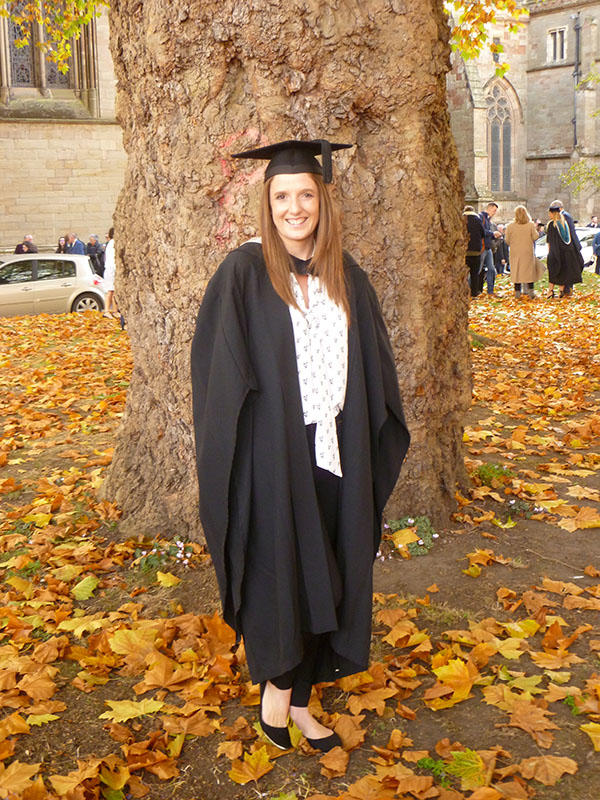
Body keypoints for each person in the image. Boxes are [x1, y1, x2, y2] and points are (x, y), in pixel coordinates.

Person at [191, 139, 410, 754]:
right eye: (282, 196)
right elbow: (217, 372)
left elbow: (373, 370)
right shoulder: (243, 272)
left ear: (322, 200)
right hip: (274, 458)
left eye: (306, 195)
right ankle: (276, 698)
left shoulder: (348, 277)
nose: (295, 207)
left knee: (335, 573)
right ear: (267, 202)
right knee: (283, 574)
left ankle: (302, 700)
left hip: (339, 452)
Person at [546, 201, 584, 298]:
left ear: (552, 213)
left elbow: (549, 241)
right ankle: (561, 291)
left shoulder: (551, 225)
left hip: (555, 252)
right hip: (566, 252)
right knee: (563, 270)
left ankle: (550, 291)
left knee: (553, 271)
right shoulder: (564, 223)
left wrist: (549, 253)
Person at [504, 205, 539, 298]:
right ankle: (531, 291)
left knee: (516, 271)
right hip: (527, 251)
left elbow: (507, 240)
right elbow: (535, 237)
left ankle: (517, 292)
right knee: (528, 271)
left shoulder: (510, 226)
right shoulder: (530, 225)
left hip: (515, 252)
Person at [479, 202, 502, 295]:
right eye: (494, 210)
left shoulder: (488, 220)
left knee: (492, 269)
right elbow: (482, 231)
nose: (495, 212)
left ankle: (490, 291)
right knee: (478, 269)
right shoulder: (481, 217)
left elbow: (487, 234)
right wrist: (492, 234)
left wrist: (494, 236)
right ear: (489, 208)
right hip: (482, 247)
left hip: (488, 248)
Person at [463, 205, 485, 297]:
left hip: (464, 251)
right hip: (476, 250)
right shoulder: (477, 220)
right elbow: (482, 233)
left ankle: (464, 292)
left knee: (463, 273)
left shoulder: (462, 219)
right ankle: (474, 293)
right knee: (474, 273)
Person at [102, 227, 119, 318]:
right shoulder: (112, 243)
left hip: (111, 269)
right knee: (110, 291)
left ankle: (115, 310)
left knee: (114, 291)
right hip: (111, 269)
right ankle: (107, 310)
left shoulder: (111, 243)